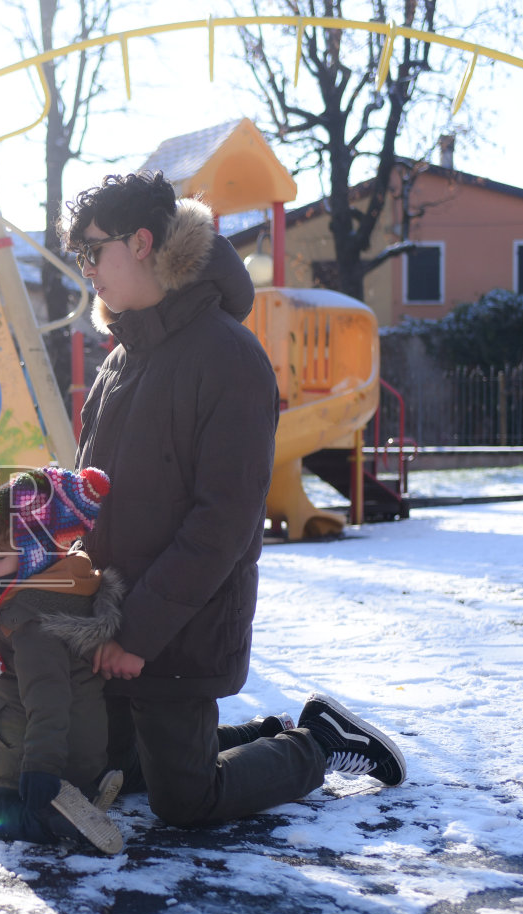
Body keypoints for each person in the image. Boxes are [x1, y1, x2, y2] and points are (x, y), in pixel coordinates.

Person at [63, 171, 405, 829]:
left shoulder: (228, 357)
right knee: (109, 768)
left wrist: (138, 632)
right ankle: (273, 731)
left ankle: (319, 744)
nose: (86, 269)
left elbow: (223, 521)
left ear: (139, 243)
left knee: (186, 803)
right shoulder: (122, 358)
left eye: (92, 250)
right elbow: (93, 488)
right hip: (115, 617)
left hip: (181, 628)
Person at [0, 466, 126, 854]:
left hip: (37, 757)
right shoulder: (51, 589)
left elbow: (49, 700)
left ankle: (58, 818)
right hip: (68, 749)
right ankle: (81, 793)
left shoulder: (31, 623)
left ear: (35, 556)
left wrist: (41, 770)